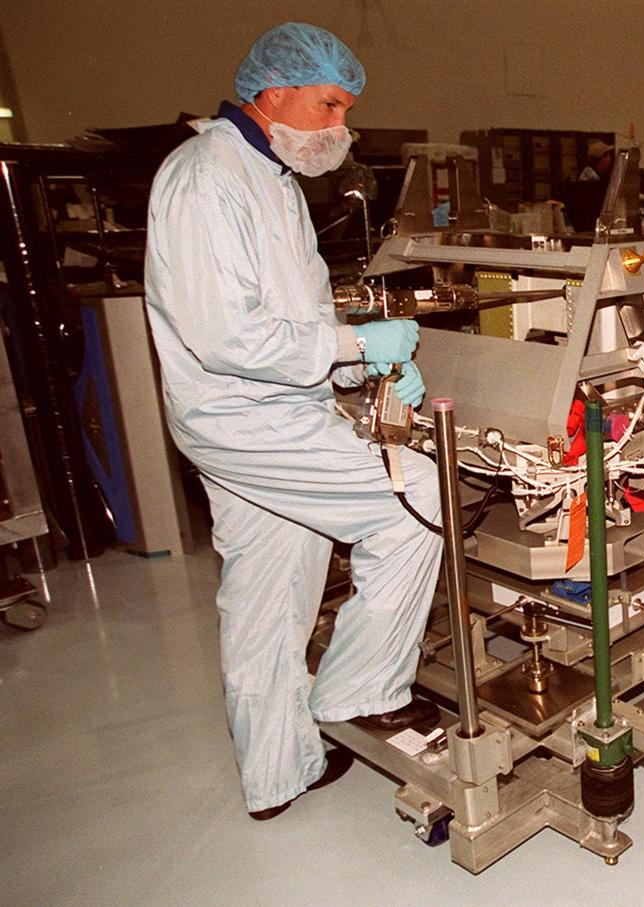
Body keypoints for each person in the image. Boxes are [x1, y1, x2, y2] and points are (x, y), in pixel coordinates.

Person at [144, 23, 444, 820]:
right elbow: (225, 335)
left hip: (267, 405)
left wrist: (357, 361)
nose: (340, 128)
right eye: (329, 105)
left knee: (270, 594)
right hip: (246, 416)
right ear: (272, 92)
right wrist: (353, 342)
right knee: (420, 498)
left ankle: (278, 771)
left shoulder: (268, 177)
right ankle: (359, 691)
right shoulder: (206, 178)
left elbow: (289, 316)